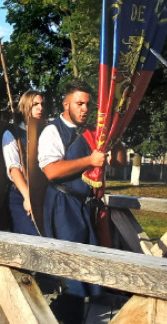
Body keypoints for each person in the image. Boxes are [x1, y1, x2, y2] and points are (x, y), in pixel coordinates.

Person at [38, 80, 125, 320]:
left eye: (88, 104)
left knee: (86, 273)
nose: (85, 108)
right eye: (79, 103)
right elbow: (51, 171)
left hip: (86, 206)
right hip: (63, 204)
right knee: (69, 273)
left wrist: (115, 134)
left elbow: (120, 161)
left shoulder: (91, 131)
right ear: (66, 103)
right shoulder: (52, 130)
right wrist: (90, 161)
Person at [2, 90, 44, 236]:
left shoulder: (45, 132)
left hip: (42, 193)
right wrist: (27, 197)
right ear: (26, 106)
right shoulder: (12, 134)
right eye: (35, 104)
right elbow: (14, 169)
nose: (40, 108)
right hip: (21, 195)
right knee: (32, 238)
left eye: (42, 104)